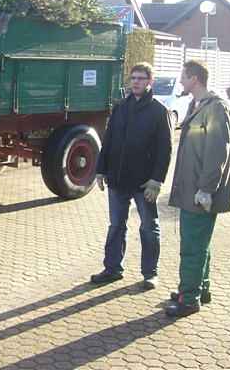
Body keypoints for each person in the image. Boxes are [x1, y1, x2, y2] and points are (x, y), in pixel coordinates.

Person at [91, 62, 173, 289]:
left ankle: (150, 273)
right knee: (116, 225)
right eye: (133, 78)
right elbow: (108, 140)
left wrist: (156, 180)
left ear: (150, 82)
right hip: (117, 179)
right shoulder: (120, 107)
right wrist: (100, 169)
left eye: (141, 78)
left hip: (144, 182)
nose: (136, 82)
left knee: (148, 226)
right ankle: (112, 269)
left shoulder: (159, 111)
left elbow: (164, 149)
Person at [166, 60, 230, 318]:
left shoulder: (216, 108)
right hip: (191, 188)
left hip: (199, 192)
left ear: (194, 78)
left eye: (183, 77)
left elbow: (218, 150)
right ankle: (199, 289)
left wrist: (206, 189)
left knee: (192, 245)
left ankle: (189, 299)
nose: (180, 82)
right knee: (199, 242)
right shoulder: (198, 105)